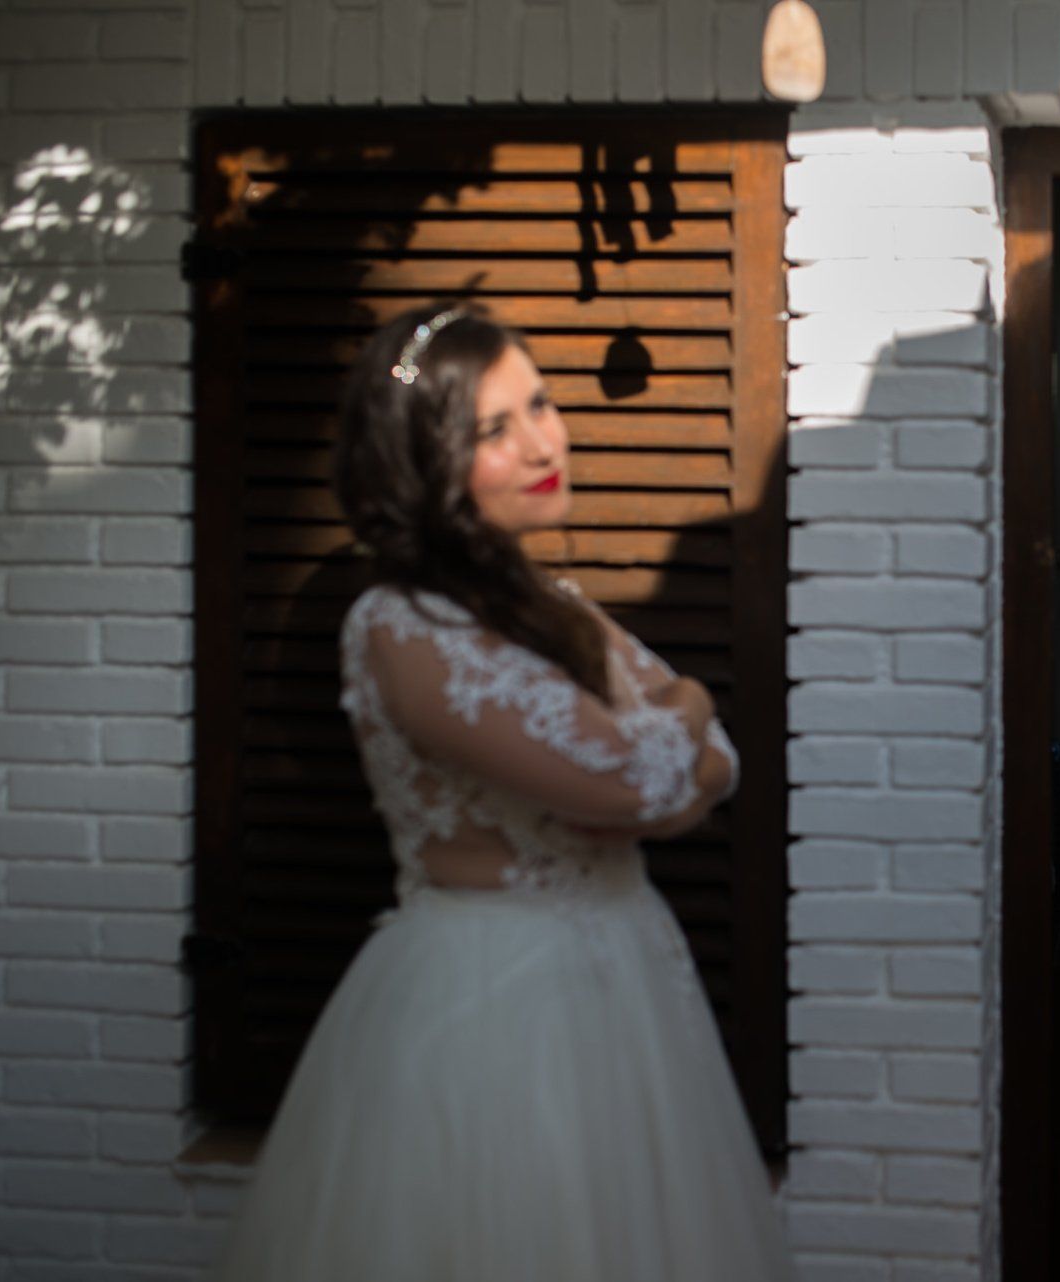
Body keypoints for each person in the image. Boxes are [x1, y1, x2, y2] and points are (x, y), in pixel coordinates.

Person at [209, 303, 797, 1281]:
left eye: (541, 404)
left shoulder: (549, 604)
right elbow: (637, 779)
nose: (542, 443)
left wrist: (664, 744)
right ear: (423, 462)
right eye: (494, 428)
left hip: (627, 989)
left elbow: (711, 768)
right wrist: (686, 703)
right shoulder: (405, 623)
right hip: (497, 1004)